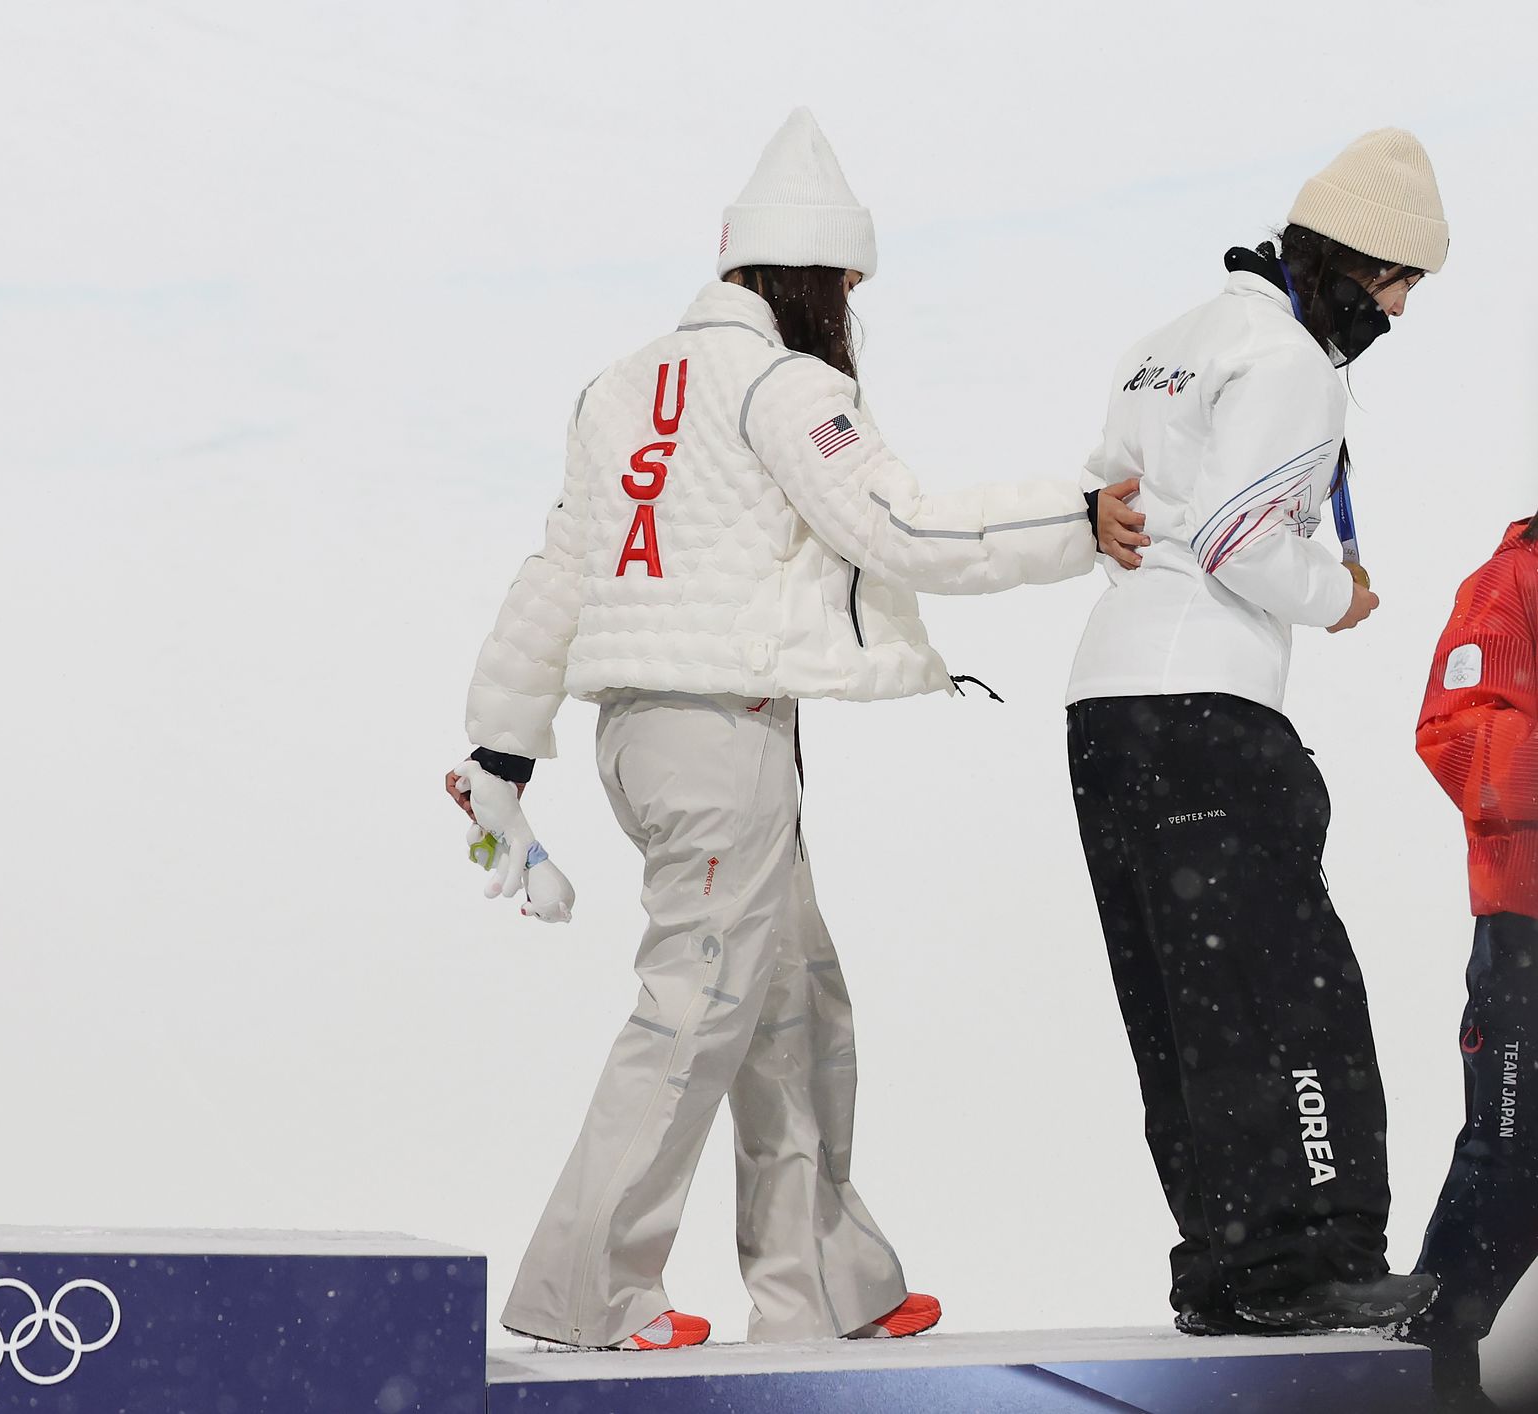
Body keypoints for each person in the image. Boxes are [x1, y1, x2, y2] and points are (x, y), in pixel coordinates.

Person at [447, 108, 1144, 1352]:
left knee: (791, 1000)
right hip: (718, 739)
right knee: (696, 1006)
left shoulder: (621, 383)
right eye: (848, 287)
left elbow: (558, 571)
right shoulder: (785, 383)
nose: (852, 314)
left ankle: (825, 1282)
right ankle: (584, 1291)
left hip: (644, 734)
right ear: (813, 277)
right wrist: (1079, 520)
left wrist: (500, 746)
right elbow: (902, 526)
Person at [1063, 129, 1446, 1335]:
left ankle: (1223, 1268)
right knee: (1292, 999)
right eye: (1394, 284)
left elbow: (1111, 498)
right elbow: (1234, 535)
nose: (1395, 310)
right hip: (1209, 708)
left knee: (1182, 1010)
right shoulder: (1291, 359)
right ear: (1346, 263)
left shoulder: (1165, 342)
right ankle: (1306, 1263)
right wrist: (1335, 594)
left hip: (1105, 710)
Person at [1410, 514, 1538, 1411]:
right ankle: (1425, 1370)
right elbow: (1459, 740)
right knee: (1513, 1155)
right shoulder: (1511, 582)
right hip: (1529, 928)